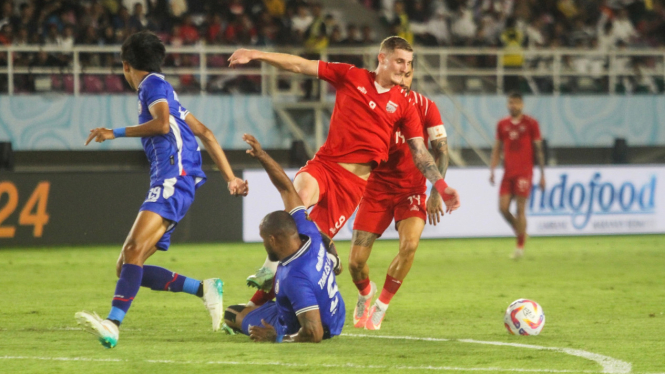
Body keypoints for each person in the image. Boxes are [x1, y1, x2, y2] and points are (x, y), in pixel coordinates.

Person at [228, 36, 460, 305]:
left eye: (408, 63)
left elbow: (420, 152)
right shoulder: (352, 76)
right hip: (325, 165)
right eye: (399, 61)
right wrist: (255, 54)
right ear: (381, 59)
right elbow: (300, 65)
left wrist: (441, 187)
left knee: (305, 245)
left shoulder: (406, 105)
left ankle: (252, 306)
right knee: (298, 204)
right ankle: (268, 268)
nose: (404, 69)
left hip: (353, 185)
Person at [74, 31, 249, 348]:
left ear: (126, 66)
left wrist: (112, 132)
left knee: (131, 254)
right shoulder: (169, 94)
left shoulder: (151, 86)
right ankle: (204, 288)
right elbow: (206, 133)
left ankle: (113, 324)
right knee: (128, 264)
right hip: (177, 179)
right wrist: (230, 177)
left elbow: (162, 125)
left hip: (173, 176)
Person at [349, 65, 449, 330]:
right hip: (376, 190)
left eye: (408, 75)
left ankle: (380, 306)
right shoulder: (372, 106)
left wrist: (436, 192)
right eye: (399, 74)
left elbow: (442, 151)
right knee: (356, 262)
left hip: (412, 190)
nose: (403, 80)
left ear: (413, 75)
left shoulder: (426, 106)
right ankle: (364, 293)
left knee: (410, 246)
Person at [223, 134, 345, 343]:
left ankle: (276, 323)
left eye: (263, 240)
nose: (263, 245)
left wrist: (278, 337)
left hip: (311, 327)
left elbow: (314, 333)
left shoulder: (293, 277)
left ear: (273, 239)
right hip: (335, 316)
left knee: (231, 314)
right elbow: (286, 188)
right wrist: (261, 156)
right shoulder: (309, 232)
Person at [490, 92, 545, 260]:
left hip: (524, 172)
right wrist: (492, 169)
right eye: (510, 103)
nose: (512, 106)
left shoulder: (531, 123)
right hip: (508, 173)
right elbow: (497, 147)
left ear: (522, 105)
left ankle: (519, 247)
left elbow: (538, 150)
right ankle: (522, 233)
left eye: (516, 103)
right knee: (503, 208)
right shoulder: (502, 124)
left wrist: (542, 174)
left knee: (520, 209)